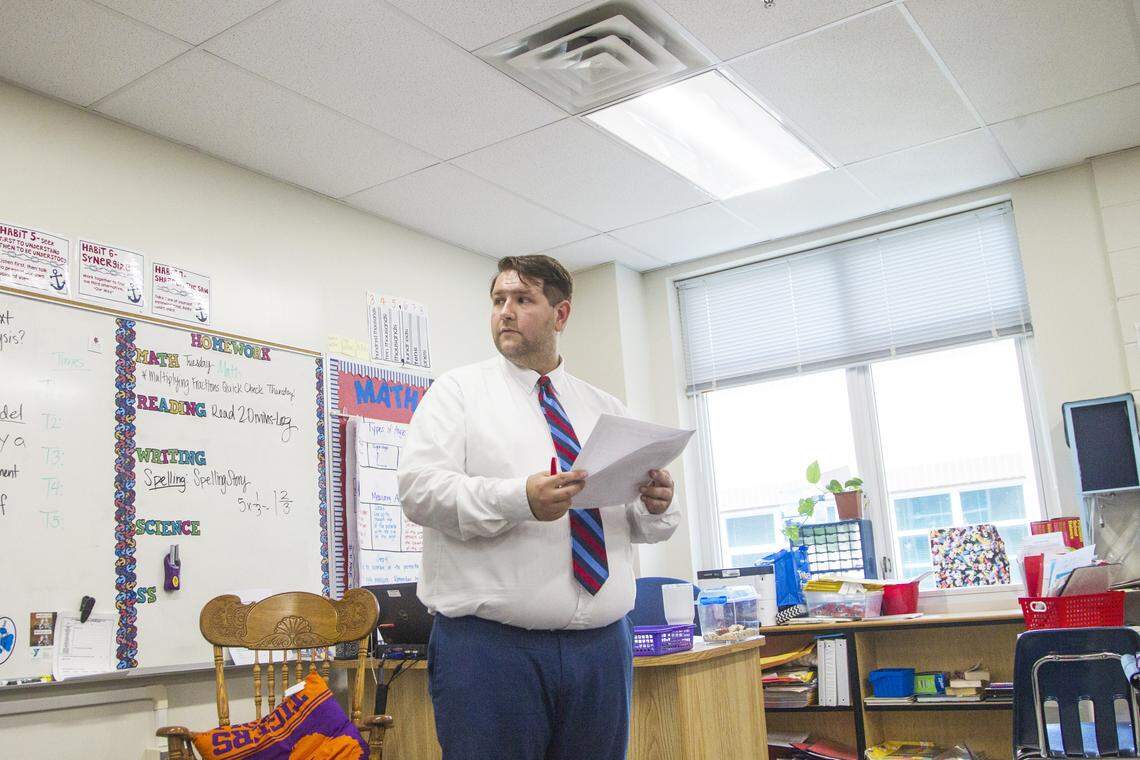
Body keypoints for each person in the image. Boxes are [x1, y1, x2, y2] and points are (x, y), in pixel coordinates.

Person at [397, 254, 679, 760]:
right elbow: (420, 492)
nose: (505, 311)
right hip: (490, 651)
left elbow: (620, 519)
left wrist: (653, 506)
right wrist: (518, 499)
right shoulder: (456, 393)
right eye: (498, 300)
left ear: (560, 314)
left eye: (523, 300)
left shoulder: (605, 407)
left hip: (602, 647)